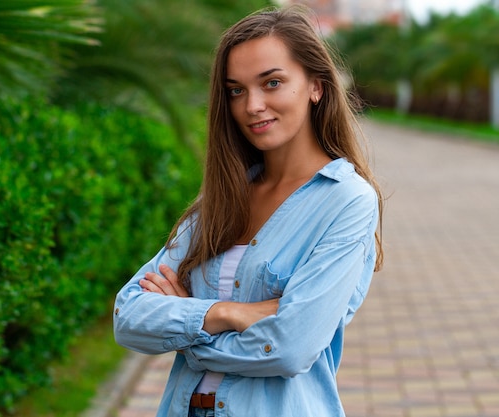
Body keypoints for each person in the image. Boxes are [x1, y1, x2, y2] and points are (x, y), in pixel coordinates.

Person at [113, 5, 383, 417]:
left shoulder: (346, 201)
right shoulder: (221, 198)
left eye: (272, 82)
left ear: (316, 86)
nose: (252, 105)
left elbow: (291, 348)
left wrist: (186, 333)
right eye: (236, 90)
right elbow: (129, 315)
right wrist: (228, 313)